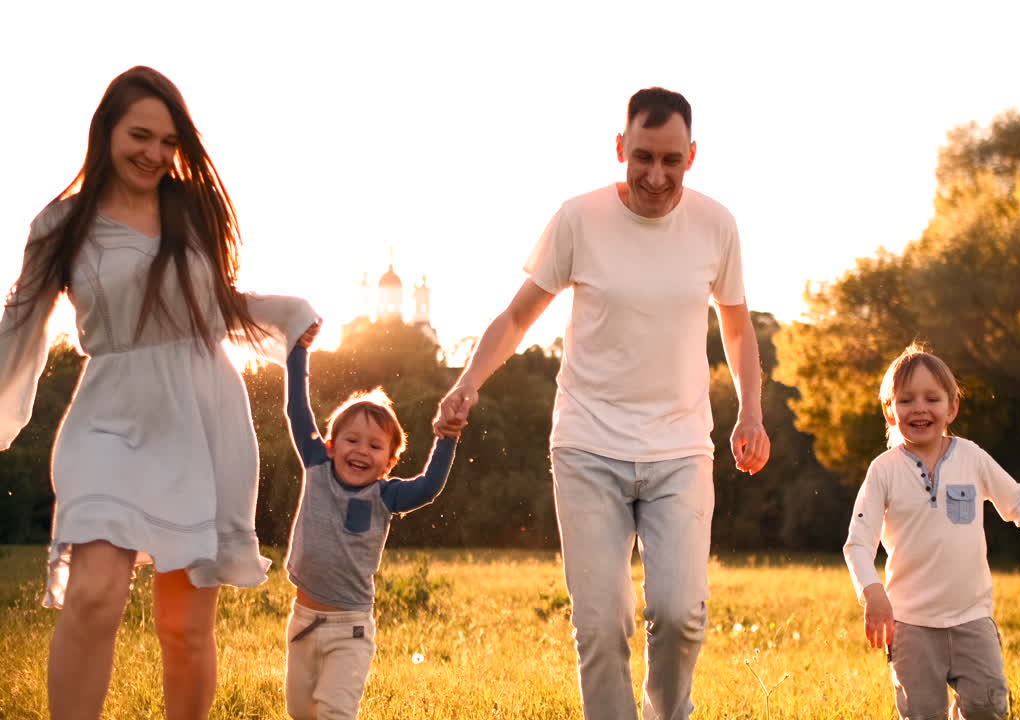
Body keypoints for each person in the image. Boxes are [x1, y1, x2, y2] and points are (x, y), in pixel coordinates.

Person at [433, 87, 770, 720]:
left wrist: (750, 412)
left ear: (692, 156)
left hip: (679, 449)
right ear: (620, 147)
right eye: (642, 156)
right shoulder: (578, 219)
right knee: (601, 623)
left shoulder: (716, 225)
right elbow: (517, 316)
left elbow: (737, 326)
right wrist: (467, 382)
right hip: (588, 446)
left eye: (671, 160)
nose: (655, 175)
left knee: (679, 613)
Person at [0, 66, 319, 720]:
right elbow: (19, 320)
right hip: (108, 418)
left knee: (184, 625)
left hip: (200, 420)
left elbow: (213, 309)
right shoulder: (60, 225)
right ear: (106, 133)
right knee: (93, 595)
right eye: (140, 136)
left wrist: (288, 315)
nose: (155, 154)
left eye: (169, 142)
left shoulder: (190, 211)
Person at [843, 343, 1020, 720]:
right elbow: (857, 543)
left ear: (951, 407)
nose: (919, 408)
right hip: (911, 626)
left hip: (972, 619)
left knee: (988, 707)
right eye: (906, 400)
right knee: (922, 713)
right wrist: (872, 593)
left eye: (932, 398)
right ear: (890, 411)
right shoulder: (883, 470)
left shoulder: (971, 458)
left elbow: (1017, 501)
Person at [280, 325, 457, 719]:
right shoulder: (316, 468)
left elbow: (428, 487)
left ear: (390, 462)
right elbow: (297, 410)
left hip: (351, 630)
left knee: (333, 714)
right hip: (303, 623)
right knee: (300, 713)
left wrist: (447, 438)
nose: (362, 451)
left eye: (375, 446)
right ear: (330, 444)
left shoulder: (385, 496)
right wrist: (298, 352)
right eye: (351, 440)